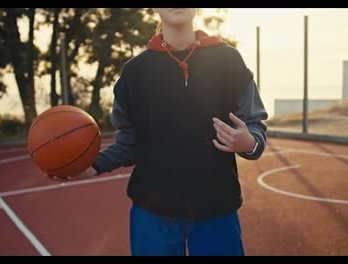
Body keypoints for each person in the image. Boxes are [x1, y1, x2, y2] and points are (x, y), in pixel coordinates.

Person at [51, 8, 268, 256]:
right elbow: (129, 143)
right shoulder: (134, 73)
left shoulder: (228, 61)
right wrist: (94, 165)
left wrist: (249, 142)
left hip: (216, 206)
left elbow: (254, 123)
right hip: (152, 211)